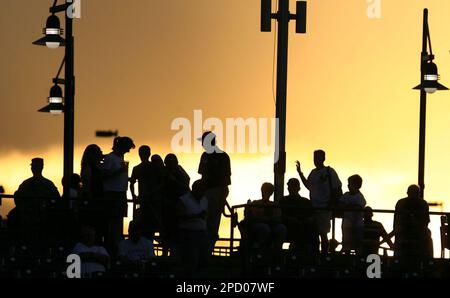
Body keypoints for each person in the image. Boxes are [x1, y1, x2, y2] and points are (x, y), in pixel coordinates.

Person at [296, 150, 342, 253]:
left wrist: (331, 204)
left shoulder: (330, 171)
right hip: (313, 208)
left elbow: (337, 187)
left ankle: (324, 254)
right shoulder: (313, 173)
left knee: (323, 233)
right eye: (314, 158)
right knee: (314, 232)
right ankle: (316, 254)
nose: (316, 160)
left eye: (318, 157)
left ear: (323, 158)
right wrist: (300, 173)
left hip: (325, 207)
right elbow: (308, 185)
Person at [197, 131, 231, 254]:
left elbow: (224, 181)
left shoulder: (217, 156)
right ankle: (206, 251)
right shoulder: (211, 156)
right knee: (207, 224)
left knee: (209, 224)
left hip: (214, 192)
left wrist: (221, 197)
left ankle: (206, 252)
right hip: (210, 193)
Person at [100, 136, 135, 254]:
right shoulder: (110, 158)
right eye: (127, 148)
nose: (128, 151)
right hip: (112, 194)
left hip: (120, 194)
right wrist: (118, 171)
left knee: (119, 221)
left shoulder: (119, 158)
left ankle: (117, 247)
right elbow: (103, 175)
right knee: (112, 222)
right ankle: (112, 247)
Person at [14, 158, 60, 245]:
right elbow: (18, 198)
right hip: (28, 219)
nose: (34, 168)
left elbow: (56, 200)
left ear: (41, 167)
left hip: (44, 219)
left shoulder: (48, 184)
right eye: (33, 166)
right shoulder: (26, 184)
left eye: (35, 166)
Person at [176, 179, 209, 278]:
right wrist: (197, 216)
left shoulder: (204, 199)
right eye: (202, 190)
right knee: (191, 261)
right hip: (188, 233)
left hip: (202, 233)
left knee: (203, 260)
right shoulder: (183, 200)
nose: (203, 192)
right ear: (195, 189)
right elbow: (179, 216)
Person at [279, 178, 319, 255]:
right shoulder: (283, 200)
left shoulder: (306, 201)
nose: (291, 189)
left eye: (293, 186)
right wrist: (293, 219)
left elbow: (312, 215)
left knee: (313, 228)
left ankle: (314, 256)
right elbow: (281, 215)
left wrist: (308, 219)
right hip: (289, 226)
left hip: (304, 226)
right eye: (290, 186)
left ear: (298, 188)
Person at [161, 153, 190, 256]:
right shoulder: (163, 172)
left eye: (172, 162)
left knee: (176, 231)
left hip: (177, 204)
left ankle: (175, 254)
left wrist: (175, 180)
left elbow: (186, 183)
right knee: (166, 230)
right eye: (168, 162)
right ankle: (165, 254)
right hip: (166, 205)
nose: (170, 164)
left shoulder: (179, 170)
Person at [245, 183, 287, 253]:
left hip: (272, 224)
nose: (267, 192)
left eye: (269, 190)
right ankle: (261, 250)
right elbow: (252, 216)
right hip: (257, 224)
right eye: (265, 190)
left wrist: (271, 220)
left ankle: (277, 251)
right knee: (264, 228)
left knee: (282, 228)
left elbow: (278, 217)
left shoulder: (275, 205)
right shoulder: (255, 203)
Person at [394, 185, 433, 258]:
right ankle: (398, 256)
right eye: (412, 193)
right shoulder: (401, 203)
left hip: (419, 229)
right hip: (404, 228)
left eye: (415, 193)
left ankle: (427, 258)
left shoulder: (423, 204)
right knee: (398, 233)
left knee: (427, 233)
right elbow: (397, 220)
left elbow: (426, 221)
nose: (413, 195)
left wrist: (417, 225)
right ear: (407, 193)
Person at [130, 146, 160, 240]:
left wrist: (134, 195)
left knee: (148, 225)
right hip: (145, 200)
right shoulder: (141, 168)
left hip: (150, 200)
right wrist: (134, 195)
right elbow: (132, 183)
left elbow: (132, 183)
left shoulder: (150, 167)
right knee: (145, 225)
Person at [80, 144, 105, 244]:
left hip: (98, 200)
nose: (101, 154)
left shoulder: (96, 167)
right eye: (99, 152)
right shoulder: (88, 168)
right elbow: (87, 186)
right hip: (93, 202)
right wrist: (91, 201)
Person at [339, 175, 366, 254]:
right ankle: (347, 256)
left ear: (357, 185)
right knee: (346, 242)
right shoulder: (346, 195)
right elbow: (340, 204)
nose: (348, 186)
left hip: (357, 225)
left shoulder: (360, 197)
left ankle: (358, 258)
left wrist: (347, 206)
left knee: (358, 243)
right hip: (347, 224)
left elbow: (358, 207)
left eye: (350, 184)